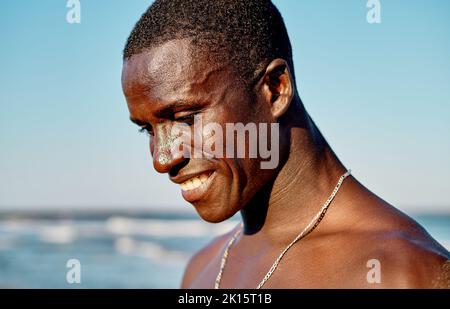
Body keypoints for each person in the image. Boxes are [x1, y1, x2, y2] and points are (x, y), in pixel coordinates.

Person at [121, 0, 449, 288]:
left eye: (185, 118)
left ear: (275, 90)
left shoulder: (409, 274)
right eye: (147, 129)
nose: (162, 160)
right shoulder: (201, 270)